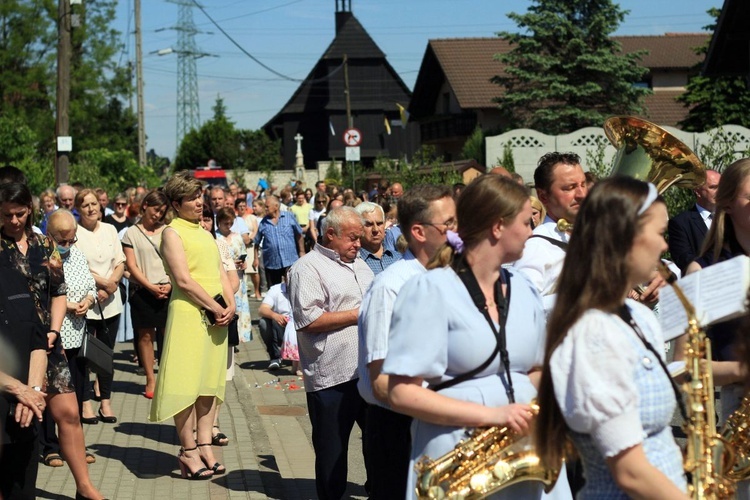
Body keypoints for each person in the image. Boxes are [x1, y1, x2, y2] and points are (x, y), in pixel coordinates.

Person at [382, 175, 569, 500]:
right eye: (526, 222)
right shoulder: (430, 289)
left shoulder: (524, 288)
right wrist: (493, 415)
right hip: (458, 459)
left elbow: (536, 368)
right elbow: (401, 393)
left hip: (524, 451)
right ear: (497, 226)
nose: (532, 230)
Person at [535, 177, 688, 499]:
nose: (665, 245)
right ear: (625, 237)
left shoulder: (638, 315)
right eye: (659, 234)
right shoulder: (596, 335)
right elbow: (630, 472)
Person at [0, 184, 104, 499]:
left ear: (29, 210)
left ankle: (84, 487)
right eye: (7, 215)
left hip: (47, 342)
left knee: (69, 412)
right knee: (10, 427)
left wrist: (54, 331)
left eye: (20, 214)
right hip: (10, 347)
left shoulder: (44, 244)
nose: (14, 221)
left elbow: (58, 291)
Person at [357, 184, 455, 499]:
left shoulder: (454, 278)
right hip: (397, 426)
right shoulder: (391, 286)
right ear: (419, 232)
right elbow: (381, 380)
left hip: (442, 421)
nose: (457, 233)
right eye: (448, 225)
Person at [149, 171, 236, 480]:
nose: (200, 203)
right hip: (189, 315)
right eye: (193, 198)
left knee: (209, 384)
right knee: (186, 382)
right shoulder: (171, 233)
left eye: (200, 197)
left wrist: (231, 303)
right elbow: (184, 280)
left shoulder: (204, 231)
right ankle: (187, 451)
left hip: (216, 316)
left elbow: (220, 272)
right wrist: (214, 306)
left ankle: (204, 444)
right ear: (176, 203)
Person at [288, 206, 374, 500]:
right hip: (332, 378)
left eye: (360, 238)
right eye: (352, 238)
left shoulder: (361, 265)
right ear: (330, 235)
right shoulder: (307, 268)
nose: (358, 245)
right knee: (332, 452)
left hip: (368, 372)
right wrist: (357, 314)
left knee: (380, 444)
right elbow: (308, 321)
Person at [679, 160, 750, 426]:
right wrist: (740, 369)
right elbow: (682, 367)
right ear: (728, 204)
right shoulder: (702, 271)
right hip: (742, 410)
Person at [75, 188, 125, 424]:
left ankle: (105, 401)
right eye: (85, 205)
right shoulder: (74, 233)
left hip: (110, 303)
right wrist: (104, 284)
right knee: (84, 357)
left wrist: (112, 284)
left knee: (106, 355)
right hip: (85, 303)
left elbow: (120, 261)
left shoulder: (110, 229)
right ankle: (85, 402)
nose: (91, 208)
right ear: (78, 209)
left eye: (94, 204)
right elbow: (79, 266)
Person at [0, 267, 48, 500]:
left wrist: (33, 392)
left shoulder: (14, 275)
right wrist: (18, 388)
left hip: (23, 411)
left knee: (22, 492)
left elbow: (38, 342)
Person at [514, 152, 587, 296]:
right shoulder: (535, 247)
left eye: (583, 185)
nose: (582, 194)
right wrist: (580, 298)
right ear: (543, 196)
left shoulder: (593, 235)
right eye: (569, 188)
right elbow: (522, 305)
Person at [121, 190, 171, 399]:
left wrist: (169, 283)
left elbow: (174, 261)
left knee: (168, 334)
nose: (158, 215)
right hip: (142, 290)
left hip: (167, 287)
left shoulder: (168, 230)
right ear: (145, 206)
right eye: (155, 210)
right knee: (146, 335)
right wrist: (150, 286)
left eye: (162, 211)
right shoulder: (131, 233)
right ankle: (151, 377)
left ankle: (168, 377)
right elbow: (130, 265)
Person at [668, 169, 721, 274]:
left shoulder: (731, 216)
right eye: (713, 187)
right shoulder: (680, 223)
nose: (719, 191)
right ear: (697, 191)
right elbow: (683, 258)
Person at [216, 207, 252, 343]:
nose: (228, 226)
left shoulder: (237, 237)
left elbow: (244, 255)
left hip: (239, 278)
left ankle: (238, 336)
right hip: (223, 279)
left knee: (239, 310)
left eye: (231, 223)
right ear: (219, 221)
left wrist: (243, 264)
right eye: (226, 223)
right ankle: (226, 336)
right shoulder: (216, 237)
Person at [254, 195, 305, 287]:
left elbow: (299, 234)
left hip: (290, 260)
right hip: (272, 263)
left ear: (276, 206)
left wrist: (302, 251)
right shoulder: (263, 222)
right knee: (274, 290)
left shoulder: (289, 217)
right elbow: (257, 241)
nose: (265, 209)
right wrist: (255, 259)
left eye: (267, 206)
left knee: (293, 288)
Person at [355, 202, 401, 275]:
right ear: (358, 227)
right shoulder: (354, 263)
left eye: (379, 223)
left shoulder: (398, 258)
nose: (375, 229)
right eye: (369, 224)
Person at [258, 275, 293, 371]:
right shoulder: (275, 289)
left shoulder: (306, 288)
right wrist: (276, 316)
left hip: (299, 326)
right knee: (264, 323)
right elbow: (262, 309)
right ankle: (275, 357)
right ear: (285, 279)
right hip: (281, 325)